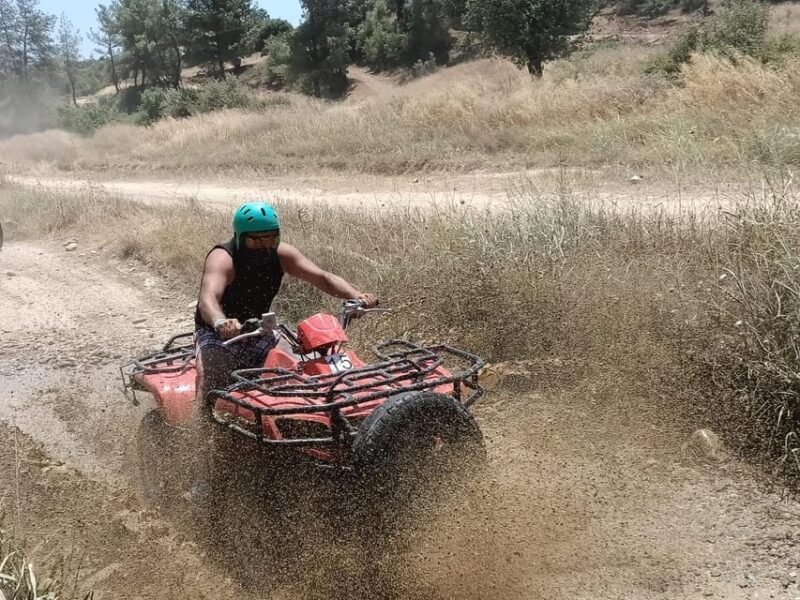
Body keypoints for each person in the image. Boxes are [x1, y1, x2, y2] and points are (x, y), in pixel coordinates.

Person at [194, 201, 378, 408]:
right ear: (240, 237)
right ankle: (201, 424)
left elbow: (322, 278)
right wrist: (221, 322)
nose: (265, 245)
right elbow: (208, 299)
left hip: (260, 330)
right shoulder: (223, 258)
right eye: (256, 240)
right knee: (214, 377)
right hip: (218, 333)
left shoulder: (282, 254)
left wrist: (356, 296)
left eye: (271, 238)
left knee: (299, 367)